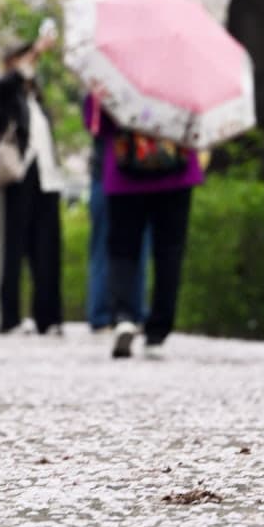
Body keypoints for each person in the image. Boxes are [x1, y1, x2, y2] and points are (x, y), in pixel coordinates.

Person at [98, 110, 205, 359]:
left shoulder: (117, 73)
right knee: (169, 252)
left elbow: (97, 123)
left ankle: (123, 316)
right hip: (177, 172)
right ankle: (158, 330)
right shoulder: (189, 74)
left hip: (126, 172)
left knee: (122, 249)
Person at [0, 20, 63, 335]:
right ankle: (9, 317)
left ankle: (48, 317)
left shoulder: (37, 95)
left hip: (46, 175)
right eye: (27, 57)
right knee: (11, 244)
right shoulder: (3, 89)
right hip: (16, 174)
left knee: (46, 245)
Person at [83, 88, 149, 332]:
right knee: (106, 245)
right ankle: (101, 313)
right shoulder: (101, 86)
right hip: (108, 173)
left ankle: (134, 311)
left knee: (138, 245)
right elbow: (93, 124)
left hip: (142, 175)